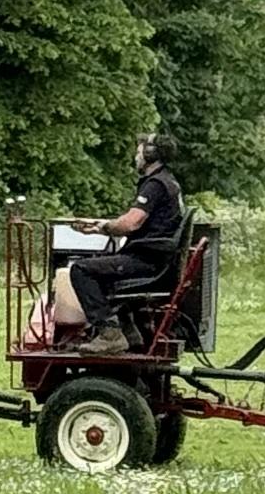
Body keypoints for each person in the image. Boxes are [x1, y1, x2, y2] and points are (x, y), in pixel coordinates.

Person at [60, 134, 186, 355]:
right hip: (157, 260)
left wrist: (105, 226)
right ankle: (129, 331)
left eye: (138, 153)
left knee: (81, 270)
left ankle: (110, 334)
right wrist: (99, 227)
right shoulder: (168, 181)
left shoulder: (155, 185)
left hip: (146, 262)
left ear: (150, 155)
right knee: (102, 268)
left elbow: (130, 223)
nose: (136, 158)